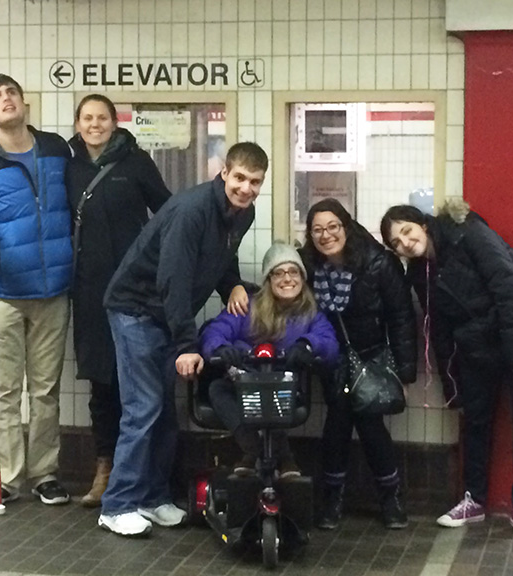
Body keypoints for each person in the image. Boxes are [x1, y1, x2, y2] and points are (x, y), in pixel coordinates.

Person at [98, 142, 269, 537]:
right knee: (143, 408)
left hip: (162, 315)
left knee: (164, 411)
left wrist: (232, 287)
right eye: (240, 178)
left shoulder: (243, 213)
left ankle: (153, 498)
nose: (246, 188)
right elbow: (173, 280)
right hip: (136, 309)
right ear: (224, 173)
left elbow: (222, 256)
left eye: (255, 182)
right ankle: (117, 504)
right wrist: (187, 344)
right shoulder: (191, 211)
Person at [380, 200, 513, 543]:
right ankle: (474, 499)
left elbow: (510, 289)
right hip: (480, 343)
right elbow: (440, 328)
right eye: (396, 243)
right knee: (476, 417)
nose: (404, 243)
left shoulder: (468, 234)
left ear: (424, 225)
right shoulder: (420, 272)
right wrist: (452, 383)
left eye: (407, 231)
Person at [0, 74, 73, 510]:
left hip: (54, 291)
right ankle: (3, 478)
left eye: (11, 94)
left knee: (45, 390)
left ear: (24, 102)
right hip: (2, 292)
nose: (6, 101)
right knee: (6, 390)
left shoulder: (58, 150)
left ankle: (45, 475)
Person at [67, 95, 172, 507]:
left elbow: (168, 213)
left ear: (115, 122)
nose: (95, 125)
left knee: (142, 384)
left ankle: (147, 477)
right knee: (102, 382)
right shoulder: (67, 165)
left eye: (103, 118)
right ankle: (105, 469)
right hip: (89, 291)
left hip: (136, 293)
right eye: (88, 118)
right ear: (78, 123)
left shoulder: (136, 162)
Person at [299, 198, 418, 530]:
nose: (326, 235)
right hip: (332, 360)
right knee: (336, 424)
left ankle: (390, 498)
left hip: (371, 357)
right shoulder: (308, 264)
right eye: (318, 230)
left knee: (368, 424)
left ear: (346, 226)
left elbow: (401, 318)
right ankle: (334, 499)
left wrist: (405, 374)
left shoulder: (379, 262)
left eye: (333, 226)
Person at [200, 242, 339, 478]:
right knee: (217, 389)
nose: (287, 279)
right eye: (279, 273)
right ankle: (266, 451)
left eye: (293, 272)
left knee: (276, 393)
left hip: (284, 389)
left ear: (302, 277)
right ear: (269, 279)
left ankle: (256, 455)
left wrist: (308, 344)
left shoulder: (311, 313)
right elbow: (215, 331)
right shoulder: (248, 306)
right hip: (242, 386)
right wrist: (222, 348)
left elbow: (330, 343)